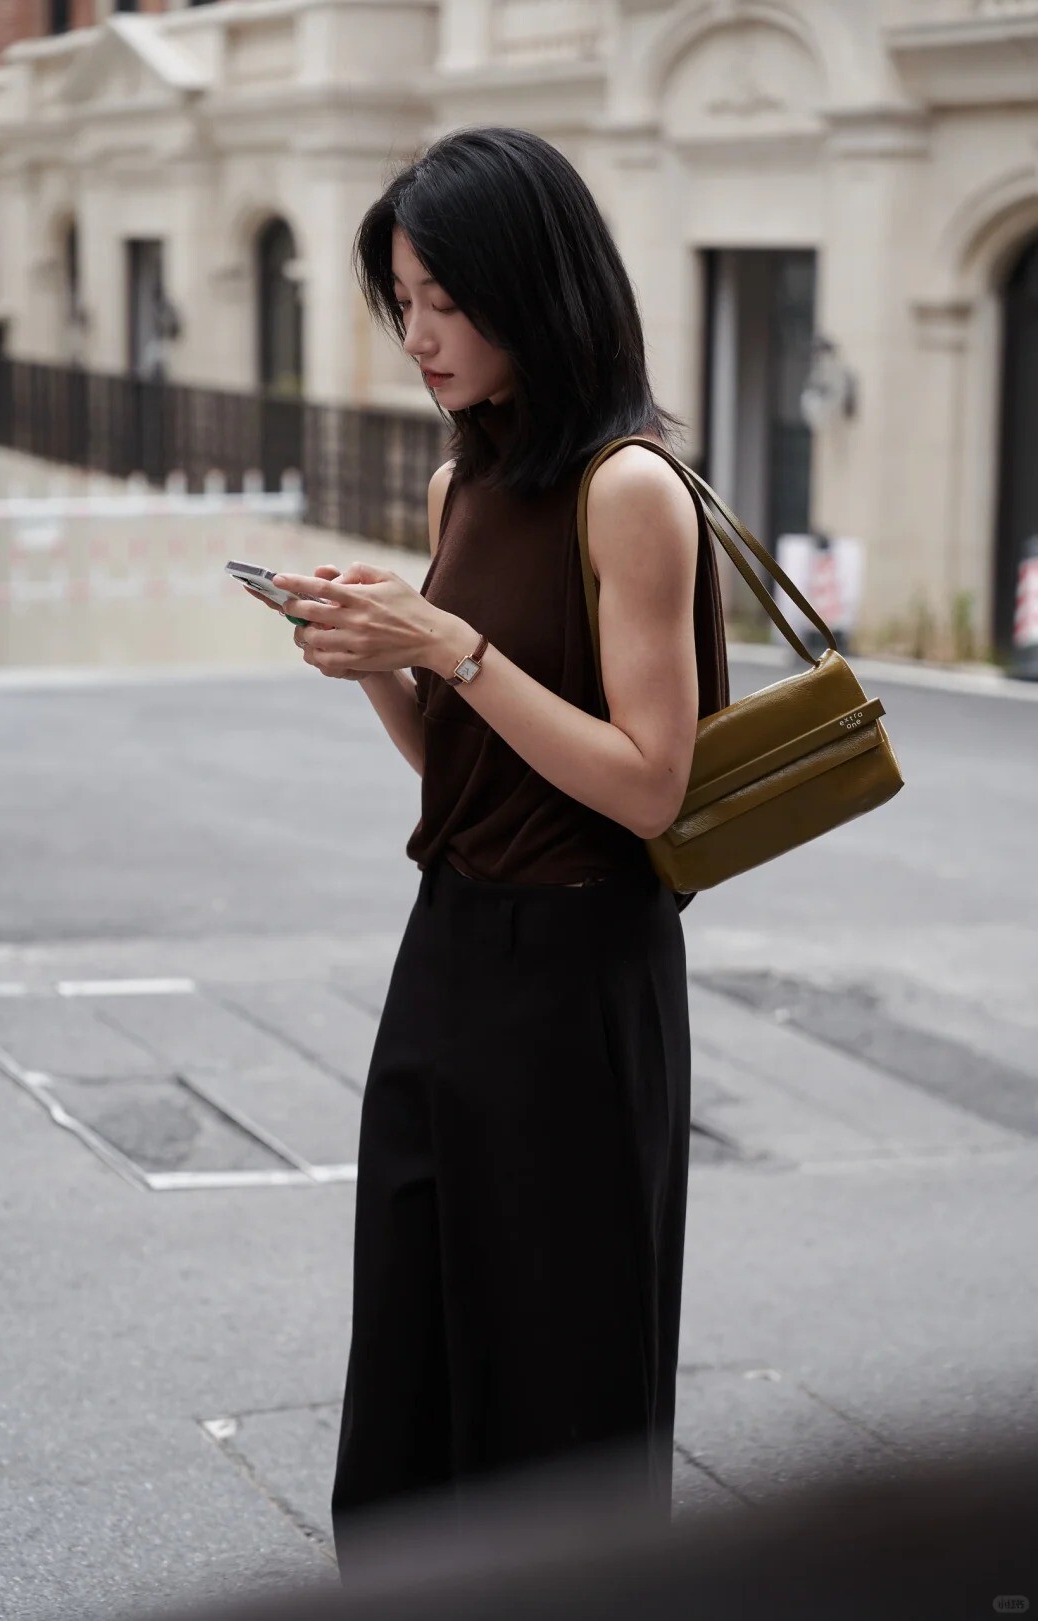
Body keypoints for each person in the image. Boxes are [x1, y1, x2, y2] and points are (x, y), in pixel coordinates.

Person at [259, 125, 730, 1580]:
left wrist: (447, 644)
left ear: (534, 285)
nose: (418, 335)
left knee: (557, 1375)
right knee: (410, 1346)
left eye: (443, 300)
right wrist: (378, 668)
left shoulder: (630, 489)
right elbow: (466, 772)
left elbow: (650, 786)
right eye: (401, 300)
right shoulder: (463, 479)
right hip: (451, 947)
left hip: (581, 972)